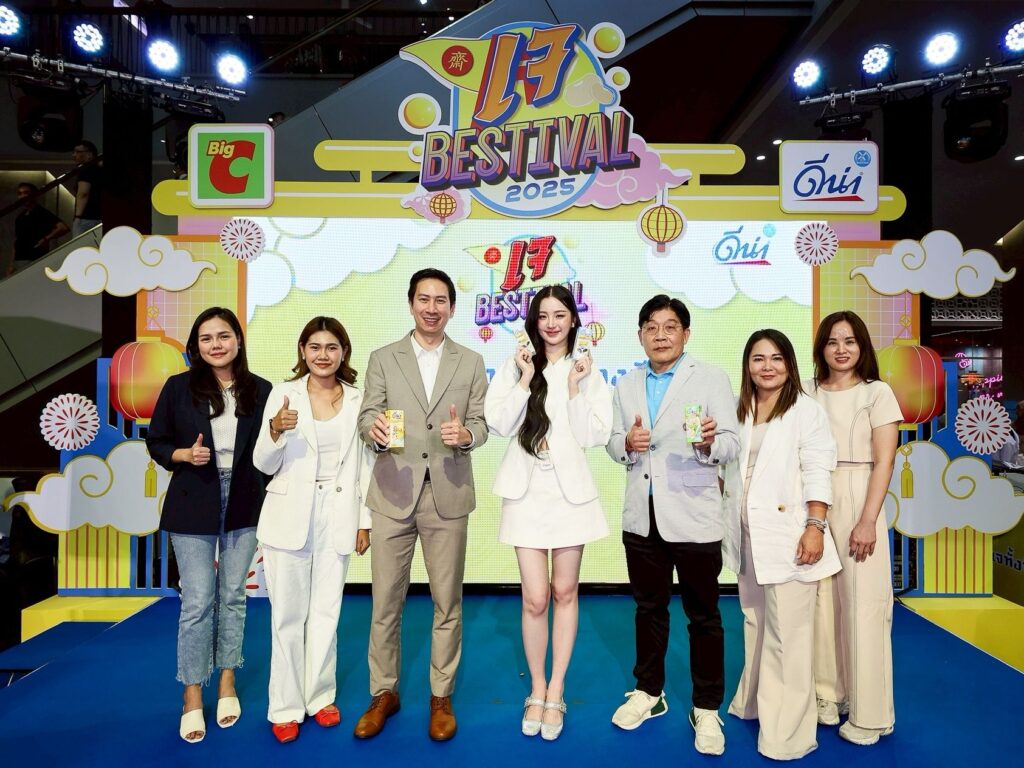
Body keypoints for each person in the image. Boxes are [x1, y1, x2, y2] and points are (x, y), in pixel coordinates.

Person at [354, 268, 488, 741]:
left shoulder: (471, 361)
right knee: (385, 602)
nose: (432, 308)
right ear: (411, 303)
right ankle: (383, 693)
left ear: (452, 307)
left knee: (446, 602)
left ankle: (441, 696)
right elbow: (367, 414)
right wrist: (372, 430)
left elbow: (481, 423)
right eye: (424, 299)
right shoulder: (382, 358)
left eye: (441, 300)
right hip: (393, 492)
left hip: (448, 494)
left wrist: (467, 435)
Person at [606, 295, 739, 756]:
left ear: (686, 333)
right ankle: (649, 691)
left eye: (669, 327)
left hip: (694, 516)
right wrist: (626, 442)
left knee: (704, 617)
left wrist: (707, 445)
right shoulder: (625, 383)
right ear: (640, 334)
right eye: (651, 327)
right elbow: (612, 443)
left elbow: (731, 442)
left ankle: (706, 706)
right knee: (648, 610)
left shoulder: (711, 378)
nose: (660, 335)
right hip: (642, 518)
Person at [484, 285, 612, 741]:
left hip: (570, 496)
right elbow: (498, 423)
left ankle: (556, 690)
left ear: (574, 320)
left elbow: (595, 435)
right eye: (543, 315)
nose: (552, 323)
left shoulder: (586, 370)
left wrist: (575, 387)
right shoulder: (517, 364)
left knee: (564, 592)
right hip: (526, 495)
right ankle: (535, 688)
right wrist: (523, 379)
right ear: (533, 322)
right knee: (535, 598)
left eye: (560, 314)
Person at [146, 307, 272, 744]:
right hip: (192, 498)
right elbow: (156, 441)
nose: (216, 344)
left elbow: (270, 451)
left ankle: (227, 682)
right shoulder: (178, 387)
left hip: (245, 499)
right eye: (206, 338)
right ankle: (192, 695)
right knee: (198, 600)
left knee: (233, 596)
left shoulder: (261, 390)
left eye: (223, 336)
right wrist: (184, 455)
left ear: (238, 339)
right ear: (196, 346)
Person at [253, 317, 373, 744]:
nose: (324, 355)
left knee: (326, 611)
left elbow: (366, 464)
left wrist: (364, 521)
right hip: (289, 513)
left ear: (344, 352)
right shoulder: (282, 394)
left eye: (332, 347)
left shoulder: (359, 398)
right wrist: (274, 431)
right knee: (287, 615)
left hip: (338, 512)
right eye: (315, 347)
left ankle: (320, 697)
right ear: (302, 350)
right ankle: (285, 707)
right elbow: (263, 462)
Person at [722, 329, 839, 761]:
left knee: (788, 635)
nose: (767, 366)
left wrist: (815, 526)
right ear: (747, 366)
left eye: (776, 358)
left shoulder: (806, 411)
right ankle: (753, 702)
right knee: (755, 621)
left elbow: (818, 469)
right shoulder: (740, 409)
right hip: (747, 532)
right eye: (758, 358)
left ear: (789, 364)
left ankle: (787, 734)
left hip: (790, 534)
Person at [808, 311, 902, 746]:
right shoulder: (807, 391)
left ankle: (870, 714)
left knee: (864, 604)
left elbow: (885, 460)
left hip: (860, 492)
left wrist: (867, 519)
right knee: (822, 601)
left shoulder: (877, 393)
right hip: (815, 494)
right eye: (832, 341)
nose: (841, 349)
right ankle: (830, 694)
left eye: (849, 341)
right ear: (821, 348)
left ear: (862, 346)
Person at [10, 183, 69, 274]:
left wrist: (45, 239)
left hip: (35, 257)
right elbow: (16, 240)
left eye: (26, 193)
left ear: (34, 194)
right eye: (20, 193)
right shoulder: (20, 217)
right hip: (19, 259)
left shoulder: (41, 213)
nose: (22, 196)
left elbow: (63, 228)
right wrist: (11, 265)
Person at [71, 140, 102, 237]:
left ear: (89, 154)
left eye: (78, 152)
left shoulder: (86, 170)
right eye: (74, 152)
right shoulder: (99, 170)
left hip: (87, 217)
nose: (74, 155)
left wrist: (78, 216)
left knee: (81, 245)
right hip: (99, 216)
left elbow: (83, 193)